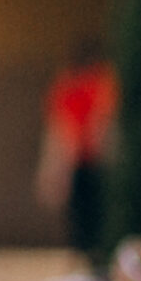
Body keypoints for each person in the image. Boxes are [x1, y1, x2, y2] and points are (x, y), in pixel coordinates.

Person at [36, 37, 117, 257]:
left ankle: (89, 255)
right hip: (79, 159)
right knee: (82, 213)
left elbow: (101, 121)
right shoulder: (73, 85)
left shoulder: (98, 83)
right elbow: (61, 127)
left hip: (90, 158)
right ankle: (85, 255)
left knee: (89, 213)